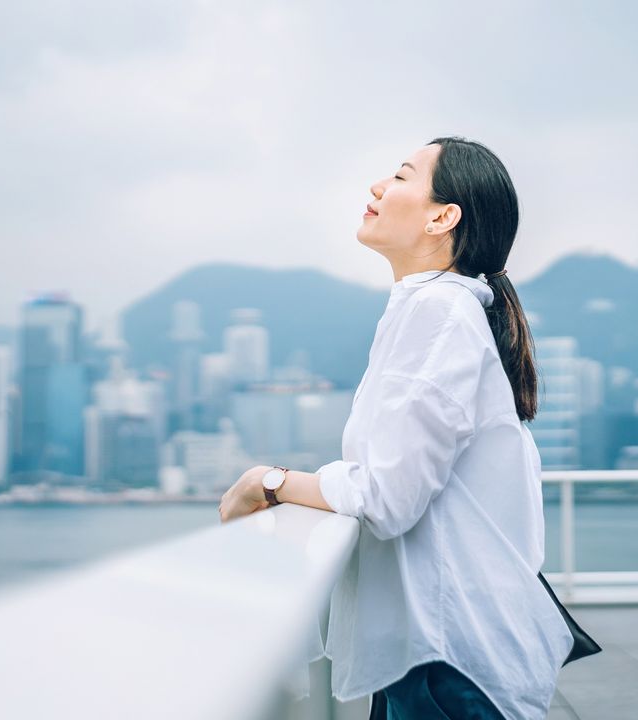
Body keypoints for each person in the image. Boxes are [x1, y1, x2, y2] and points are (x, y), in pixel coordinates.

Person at [219, 136, 572, 719]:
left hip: (448, 660)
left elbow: (388, 496)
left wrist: (269, 481)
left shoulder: (440, 312)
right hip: (437, 649)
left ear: (443, 217)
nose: (378, 188)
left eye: (402, 177)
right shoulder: (431, 308)